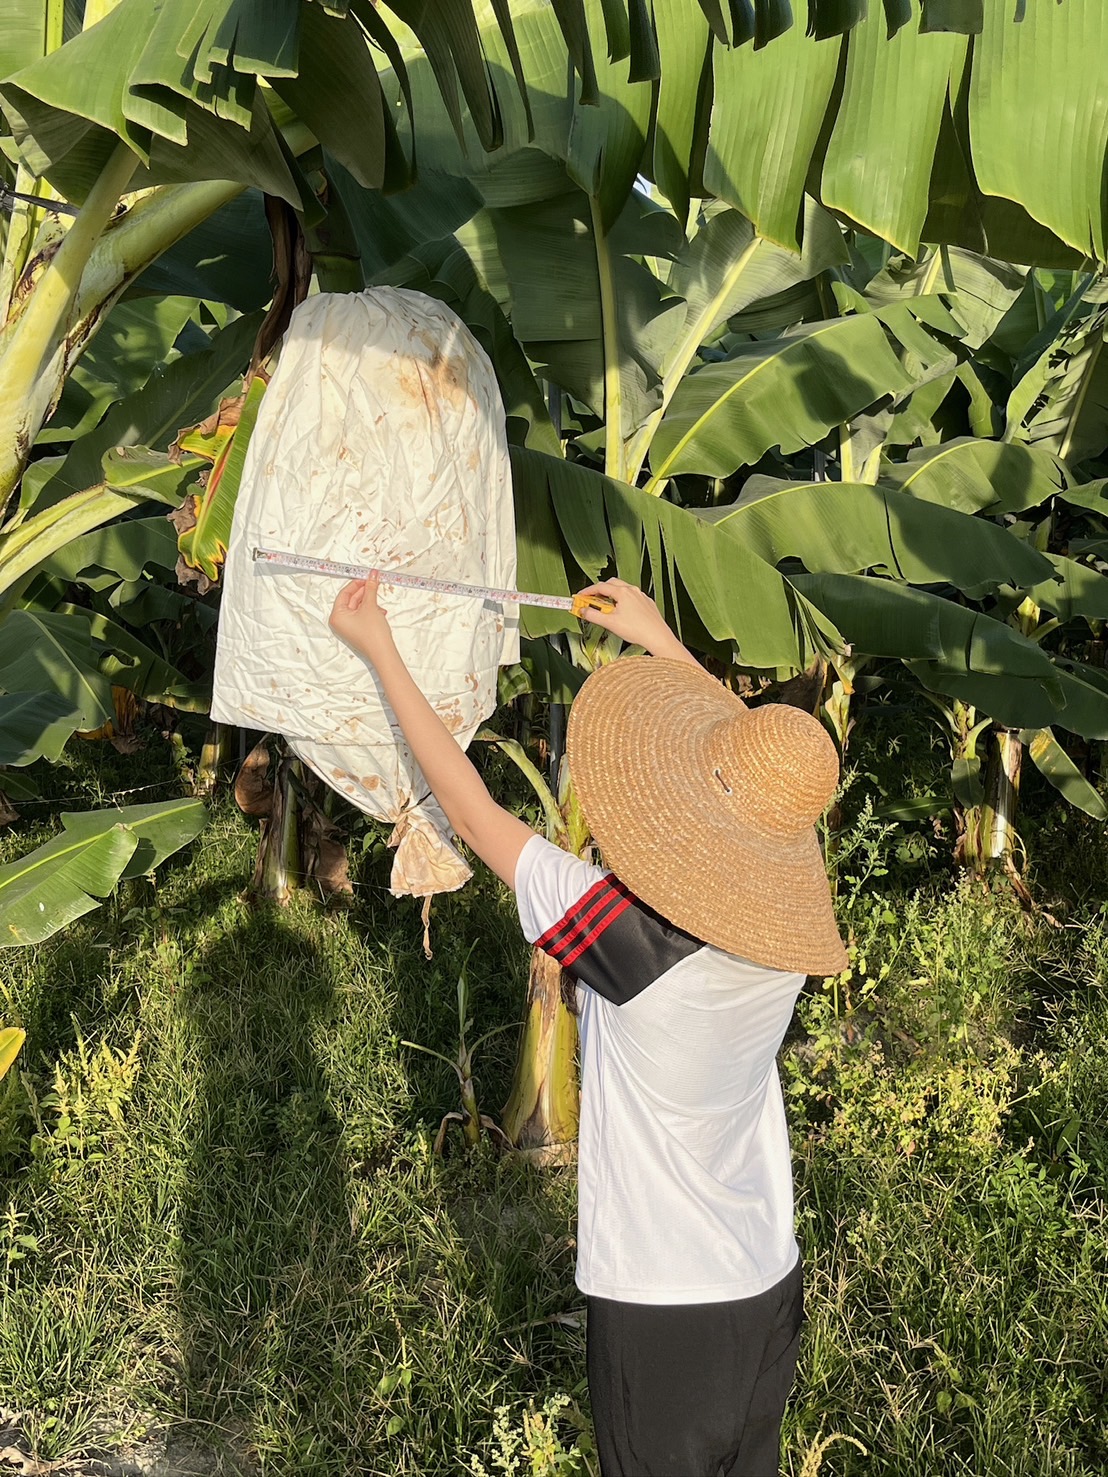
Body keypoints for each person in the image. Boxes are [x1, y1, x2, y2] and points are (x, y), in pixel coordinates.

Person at [328, 574, 848, 1477]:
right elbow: (756, 778)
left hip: (664, 1313)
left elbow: (472, 814)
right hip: (766, 1279)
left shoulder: (623, 938)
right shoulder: (789, 937)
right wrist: (659, 641)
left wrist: (381, 650)